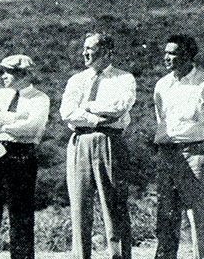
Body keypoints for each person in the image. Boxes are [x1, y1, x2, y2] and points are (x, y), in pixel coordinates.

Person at [60, 32, 136, 259]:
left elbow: (119, 107)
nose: (84, 53)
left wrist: (87, 106)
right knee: (79, 207)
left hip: (109, 141)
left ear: (107, 52)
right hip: (79, 142)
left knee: (113, 205)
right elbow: (67, 112)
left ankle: (118, 256)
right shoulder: (76, 80)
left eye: (90, 48)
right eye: (84, 48)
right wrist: (96, 119)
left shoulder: (124, 79)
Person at [153, 34, 204, 259]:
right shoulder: (162, 85)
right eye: (166, 52)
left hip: (194, 153)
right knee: (166, 213)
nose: (167, 57)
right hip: (167, 153)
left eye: (173, 53)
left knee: (200, 214)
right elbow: (161, 119)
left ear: (187, 55)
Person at [0, 54, 50, 259]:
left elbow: (32, 127)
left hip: (21, 154)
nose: (3, 76)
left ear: (23, 74)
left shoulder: (40, 99)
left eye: (8, 72)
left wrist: (1, 124)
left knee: (21, 212)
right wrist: (15, 118)